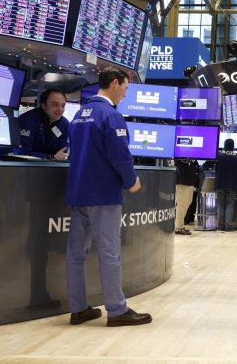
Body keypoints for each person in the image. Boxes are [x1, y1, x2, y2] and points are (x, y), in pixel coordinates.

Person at [65, 66, 152, 327]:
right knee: (109, 252)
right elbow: (120, 155)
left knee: (76, 254)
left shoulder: (80, 114)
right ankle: (116, 309)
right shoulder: (110, 115)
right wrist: (131, 181)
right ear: (114, 84)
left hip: (78, 192)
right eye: (125, 89)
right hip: (103, 194)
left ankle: (79, 309)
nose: (124, 95)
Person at [18, 89, 70, 160]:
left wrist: (54, 157)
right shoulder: (27, 120)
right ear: (43, 105)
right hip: (26, 166)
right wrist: (51, 157)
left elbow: (61, 152)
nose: (60, 109)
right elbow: (24, 152)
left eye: (63, 105)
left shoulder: (65, 124)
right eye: (55, 105)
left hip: (52, 167)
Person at [215, 138, 237, 233]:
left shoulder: (218, 155)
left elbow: (205, 166)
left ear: (225, 146)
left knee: (220, 205)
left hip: (219, 184)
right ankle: (228, 226)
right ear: (233, 147)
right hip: (232, 184)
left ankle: (220, 226)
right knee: (230, 205)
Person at [174, 158, 200, 235]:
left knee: (188, 202)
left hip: (190, 180)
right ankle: (178, 227)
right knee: (182, 204)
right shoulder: (181, 153)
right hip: (182, 180)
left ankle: (179, 225)